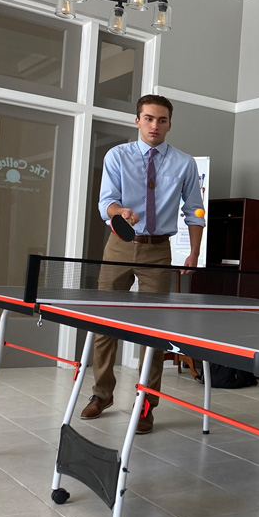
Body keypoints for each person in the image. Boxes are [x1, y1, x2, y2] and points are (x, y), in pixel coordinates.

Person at [81, 94, 206, 434]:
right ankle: (101, 394)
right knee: (104, 323)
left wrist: (193, 252)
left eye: (162, 120)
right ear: (137, 121)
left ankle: (146, 403)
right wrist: (118, 211)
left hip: (158, 252)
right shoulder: (117, 156)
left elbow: (194, 209)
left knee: (154, 332)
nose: (155, 125)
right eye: (149, 118)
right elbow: (105, 202)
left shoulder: (184, 163)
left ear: (169, 124)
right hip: (119, 245)